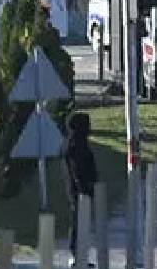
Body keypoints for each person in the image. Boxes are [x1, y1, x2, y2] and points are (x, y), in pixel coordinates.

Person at [65, 112, 97, 268]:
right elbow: (77, 170)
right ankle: (76, 256)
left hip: (83, 189)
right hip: (79, 190)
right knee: (78, 222)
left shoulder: (80, 143)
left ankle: (81, 256)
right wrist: (83, 188)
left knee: (81, 222)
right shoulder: (75, 145)